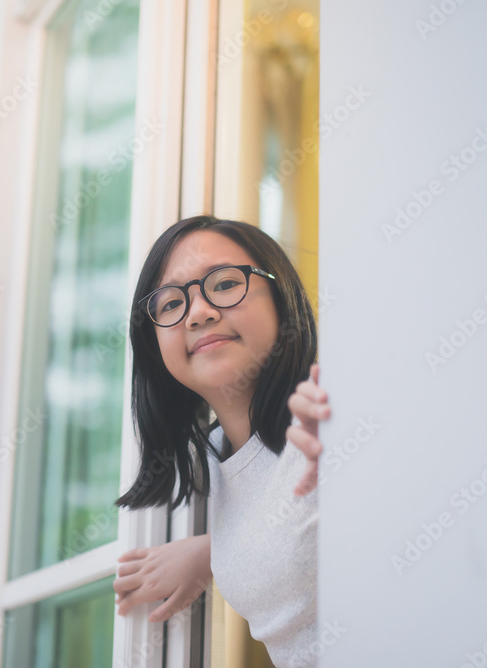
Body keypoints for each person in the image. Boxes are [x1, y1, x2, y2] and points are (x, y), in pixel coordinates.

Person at [111, 214, 331, 667]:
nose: (200, 312)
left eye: (226, 284)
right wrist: (216, 552)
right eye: (171, 304)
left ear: (282, 297)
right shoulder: (217, 460)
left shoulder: (327, 414)